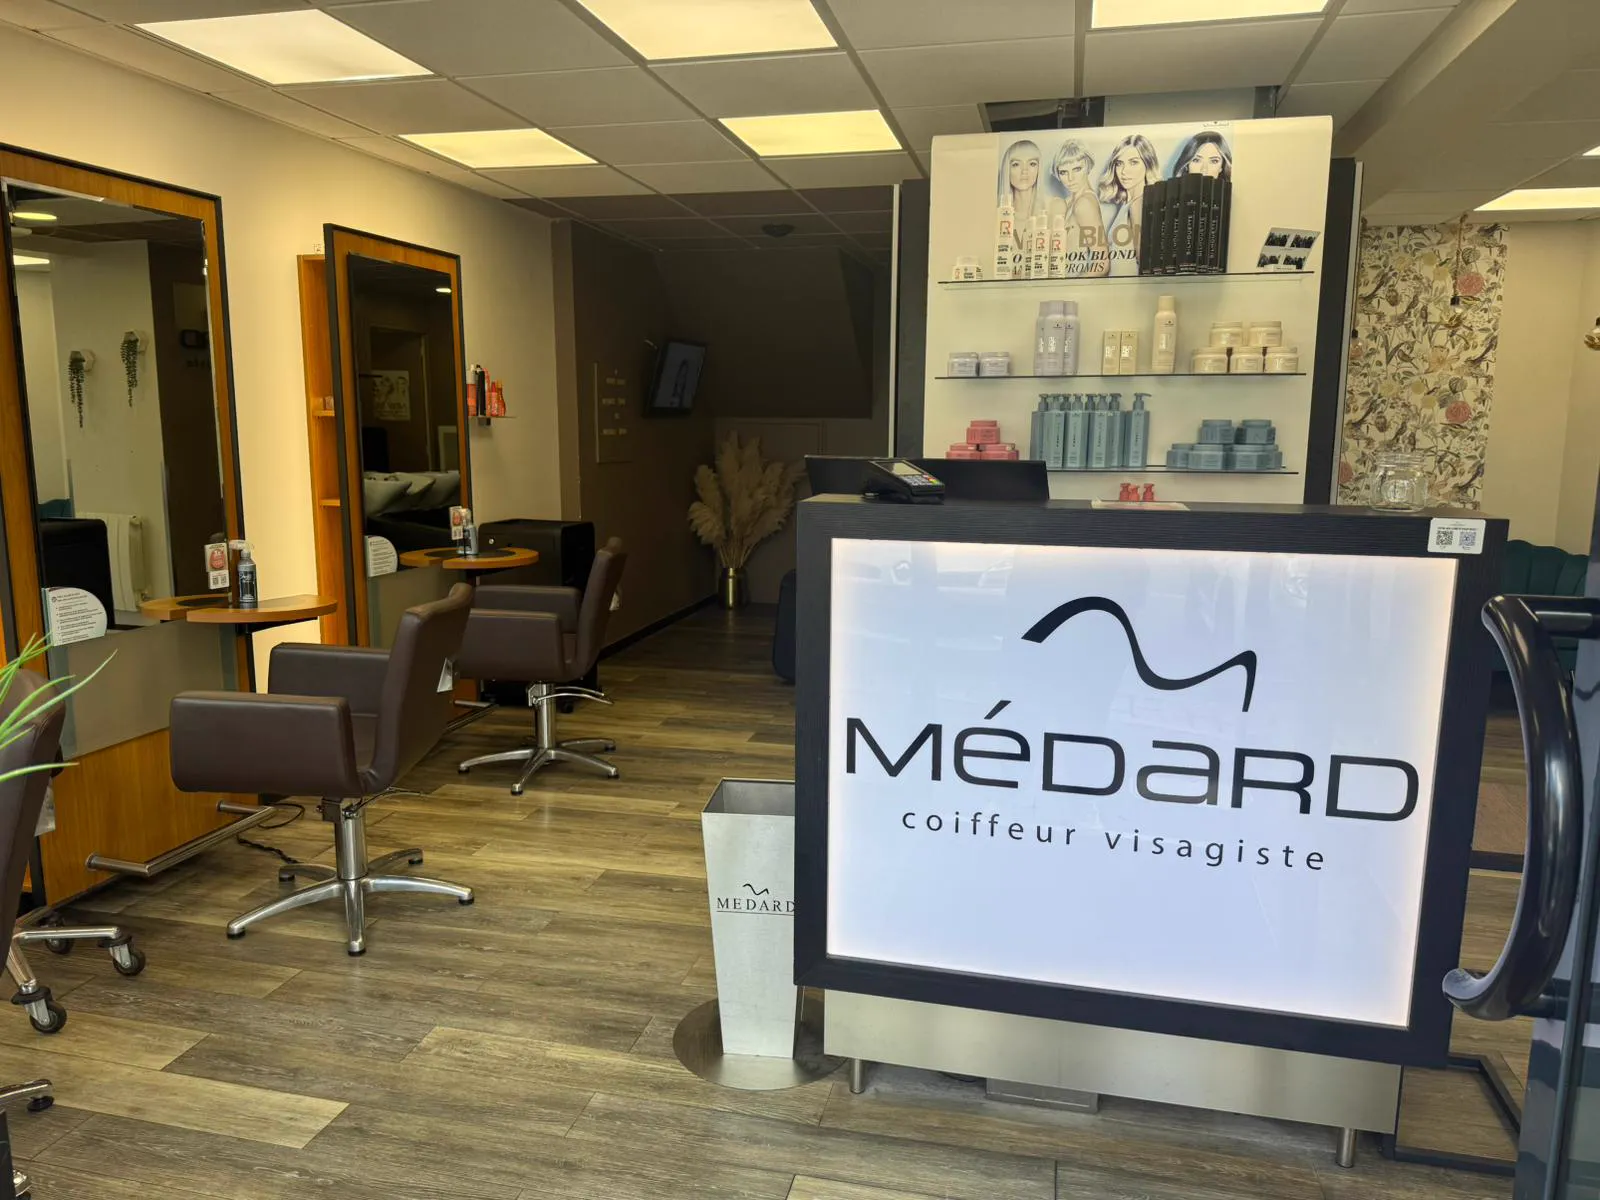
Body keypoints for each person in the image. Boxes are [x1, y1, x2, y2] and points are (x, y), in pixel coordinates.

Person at [1097, 134, 1160, 270]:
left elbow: (1145, 263)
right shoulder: (1127, 205)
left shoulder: (1139, 203)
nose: (1124, 171)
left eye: (1133, 162)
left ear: (1148, 164)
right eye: (1119, 163)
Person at [1047, 139, 1109, 278]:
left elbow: (1102, 263)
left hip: (1074, 287)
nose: (1070, 178)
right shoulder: (1068, 202)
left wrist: (1075, 287)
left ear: (1088, 166)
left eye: (1077, 169)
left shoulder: (1084, 203)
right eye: (1063, 172)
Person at [997, 139, 1046, 253]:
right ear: (1007, 170)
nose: (1024, 171)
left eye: (1032, 164)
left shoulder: (1054, 207)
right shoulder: (997, 215)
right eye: (1016, 164)